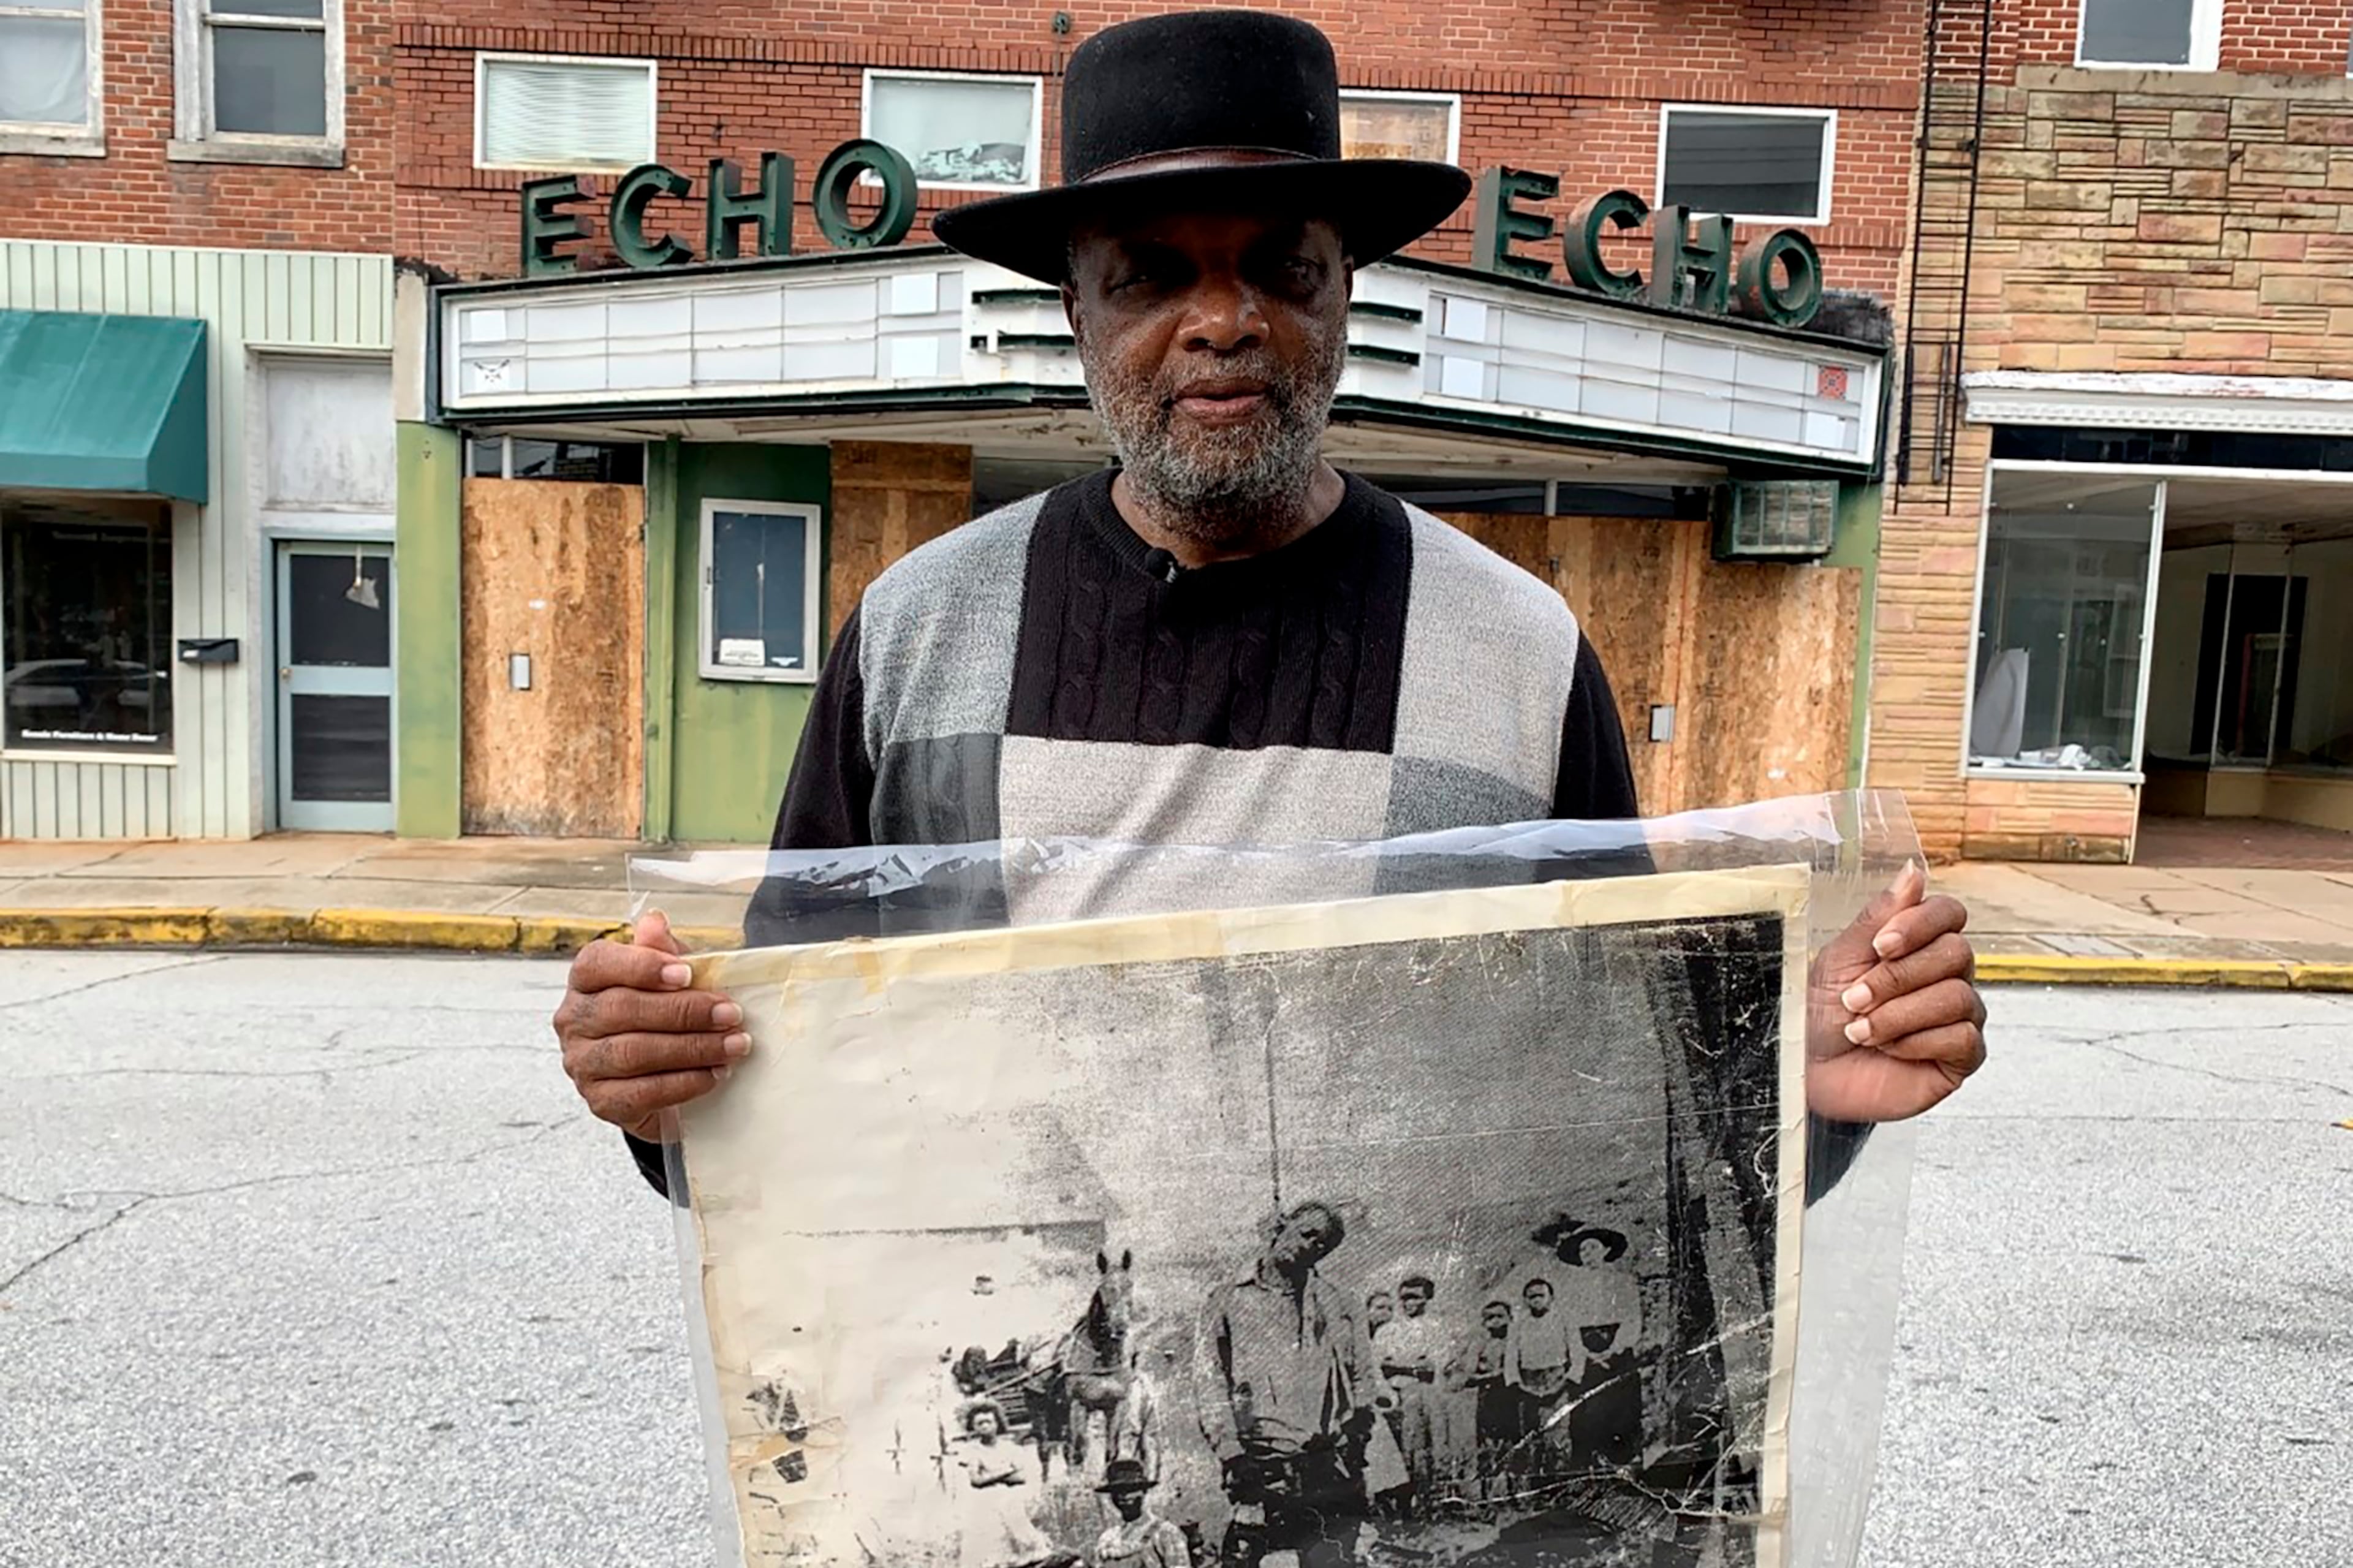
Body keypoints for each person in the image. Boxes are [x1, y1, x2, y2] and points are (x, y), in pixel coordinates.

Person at [552, 7, 1988, 1197]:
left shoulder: (1514, 650)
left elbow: (1610, 1105)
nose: (1227, 320)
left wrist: (1794, 1087)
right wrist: (663, 1088)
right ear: (1077, 310)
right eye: (1154, 276)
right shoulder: (925, 631)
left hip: (1376, 1506)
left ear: (1343, 289)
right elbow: (793, 1077)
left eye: (1280, 270)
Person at [1195, 1200, 1377, 1566]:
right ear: (1283, 1225)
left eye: (1321, 1246)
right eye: (1306, 1233)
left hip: (1328, 1462)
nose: (1310, 1246)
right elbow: (1209, 1381)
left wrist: (1359, 1423)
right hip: (1260, 1464)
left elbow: (1363, 1373)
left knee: (1332, 1560)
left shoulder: (1338, 1302)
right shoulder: (1227, 1298)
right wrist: (1231, 1453)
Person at [1372, 1274, 1452, 1509]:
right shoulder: (1387, 1331)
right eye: (1405, 1298)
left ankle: (1426, 1502)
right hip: (1393, 1397)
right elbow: (1379, 1366)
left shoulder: (1437, 1328)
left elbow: (1431, 1367)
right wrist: (1410, 1366)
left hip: (1425, 1396)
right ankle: (1397, 1504)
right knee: (1395, 1452)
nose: (1409, 1303)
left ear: (1427, 1298)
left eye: (1415, 1298)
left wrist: (1397, 1365)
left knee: (1422, 1449)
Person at [1506, 1276, 1576, 1477]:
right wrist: (1521, 1387)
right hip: (1527, 1383)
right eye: (1531, 1297)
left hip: (1557, 1380)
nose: (1536, 1300)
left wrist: (1561, 1386)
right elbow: (1511, 1361)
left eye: (1541, 1296)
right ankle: (1534, 1486)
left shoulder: (1564, 1320)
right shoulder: (1518, 1326)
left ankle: (1558, 1485)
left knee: (1558, 1433)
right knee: (1530, 1434)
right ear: (1525, 1300)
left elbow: (1577, 1356)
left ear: (1551, 1297)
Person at [1463, 1298, 1522, 1499]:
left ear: (1510, 1318)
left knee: (1514, 1447)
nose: (1495, 1322)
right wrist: (1497, 1375)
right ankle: (1486, 1498)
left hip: (1513, 1400)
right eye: (1490, 1318)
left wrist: (1505, 1374)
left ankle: (1516, 1496)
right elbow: (1468, 1375)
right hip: (1488, 1400)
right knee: (1487, 1450)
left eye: (1500, 1316)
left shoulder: (1516, 1342)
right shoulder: (1480, 1345)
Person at [1093, 1459, 1194, 1568]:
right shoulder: (1108, 1538)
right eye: (1118, 1491)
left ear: (1143, 1492)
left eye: (1131, 1490)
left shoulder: (1165, 1533)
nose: (1124, 1496)